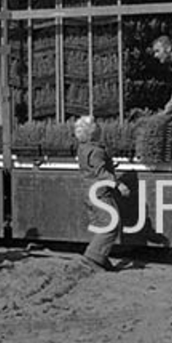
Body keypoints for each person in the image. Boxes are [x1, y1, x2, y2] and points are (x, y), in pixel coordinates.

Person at [76, 115, 130, 271]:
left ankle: (101, 257)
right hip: (99, 192)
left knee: (102, 224)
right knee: (111, 224)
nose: (100, 128)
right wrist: (118, 184)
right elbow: (101, 172)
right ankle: (93, 257)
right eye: (97, 126)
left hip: (89, 190)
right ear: (93, 132)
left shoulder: (83, 148)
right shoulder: (96, 151)